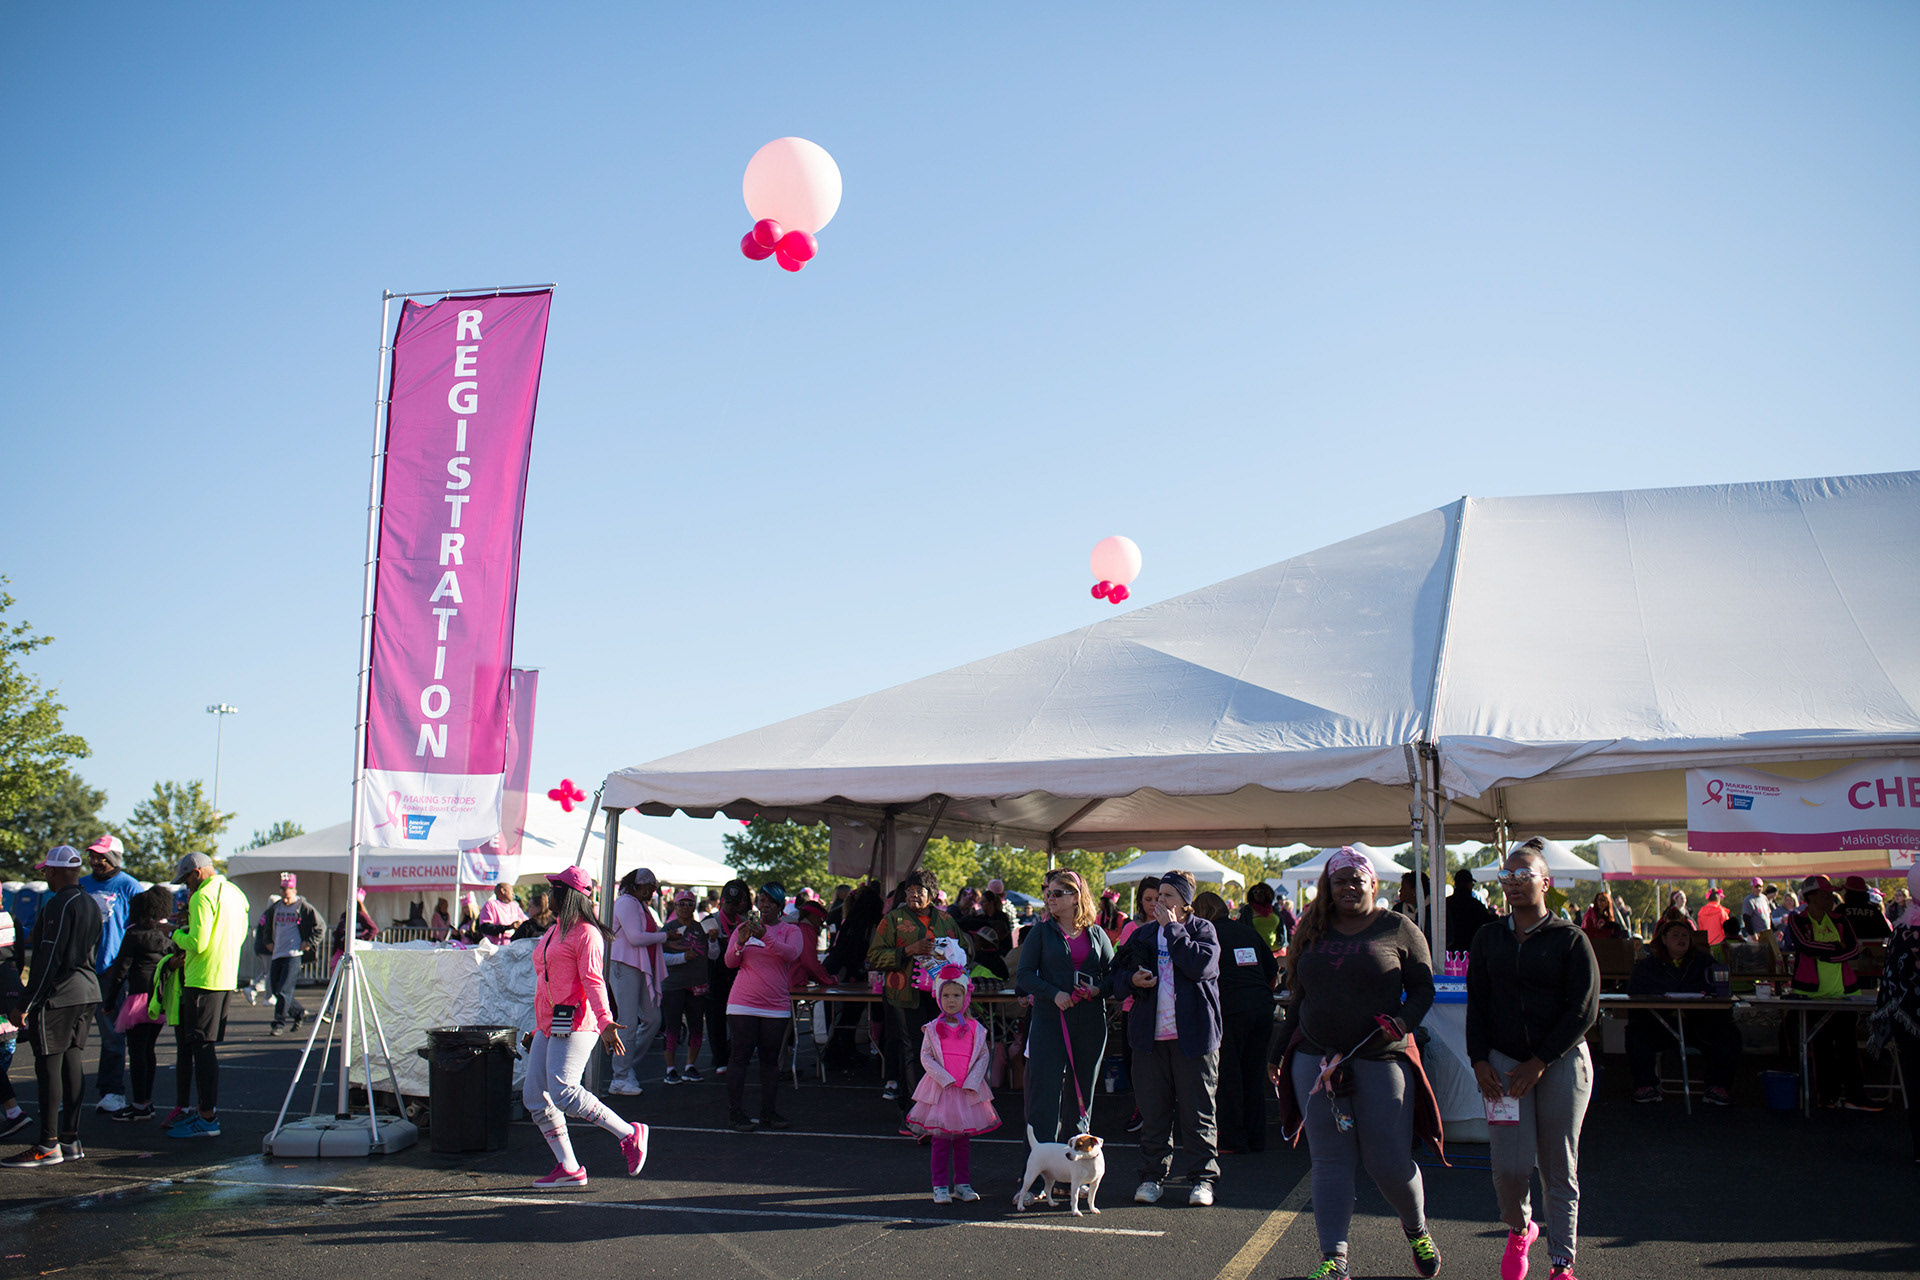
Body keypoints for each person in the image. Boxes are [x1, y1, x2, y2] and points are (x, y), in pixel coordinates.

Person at [1267, 850, 1442, 1280]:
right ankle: (1335, 1259)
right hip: (1315, 1060)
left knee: (1388, 1163)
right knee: (1329, 1162)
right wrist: (1277, 1051)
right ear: (1328, 886)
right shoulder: (1312, 928)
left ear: (1373, 884)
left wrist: (1403, 1021)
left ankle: (1416, 1229)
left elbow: (1423, 989)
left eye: (1356, 880)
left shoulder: (1398, 928)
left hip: (1380, 1058)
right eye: (1339, 880)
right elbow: (1299, 997)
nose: (1348, 887)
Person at [1466, 838, 1599, 1280]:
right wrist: (1479, 1060)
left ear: (1546, 882)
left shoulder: (1570, 939)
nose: (1514, 883)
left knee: (1559, 1165)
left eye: (1524, 875)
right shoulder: (1487, 937)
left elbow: (1584, 1010)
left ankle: (1562, 1262)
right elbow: (1478, 1004)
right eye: (1507, 876)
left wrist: (1540, 1060)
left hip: (1561, 1062)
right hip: (1502, 1063)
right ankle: (1520, 1228)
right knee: (1510, 1168)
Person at [522, 866, 648, 1188]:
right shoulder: (555, 930)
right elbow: (547, 982)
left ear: (566, 895)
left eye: (553, 889)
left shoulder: (586, 934)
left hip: (577, 1023)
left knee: (564, 1092)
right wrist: (538, 1027)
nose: (548, 894)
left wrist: (605, 1022)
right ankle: (569, 1167)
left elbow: (593, 981)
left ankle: (629, 1133)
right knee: (535, 1097)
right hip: (551, 1025)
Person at [1110, 868, 1221, 1207]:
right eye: (1158, 896)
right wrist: (1132, 980)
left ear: (1185, 902)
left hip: (1194, 1038)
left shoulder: (1203, 930)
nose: (1159, 901)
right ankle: (1151, 1177)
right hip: (1149, 1038)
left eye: (1168, 896)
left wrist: (1173, 929)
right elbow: (1116, 977)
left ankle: (1202, 1179)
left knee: (1198, 1112)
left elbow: (1200, 967)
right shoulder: (1142, 935)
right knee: (1154, 1113)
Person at [1, 846, 103, 1168]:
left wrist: (25, 1003)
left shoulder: (59, 903)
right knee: (72, 1061)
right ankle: (70, 1139)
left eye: (46, 870)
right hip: (87, 989)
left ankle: (48, 1144)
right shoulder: (90, 901)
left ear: (55, 871)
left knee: (48, 1067)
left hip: (61, 994)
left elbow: (49, 957)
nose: (45, 875)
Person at [1016, 869, 1113, 1145]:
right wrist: (1053, 993)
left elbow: (1113, 976)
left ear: (1076, 897)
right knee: (1044, 1097)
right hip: (1050, 1021)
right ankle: (1039, 1168)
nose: (1050, 898)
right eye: (1048, 893)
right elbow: (1024, 975)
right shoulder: (1040, 932)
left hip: (1090, 1022)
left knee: (1081, 1096)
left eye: (1058, 893)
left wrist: (1097, 989)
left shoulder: (1097, 933)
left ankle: (1076, 1165)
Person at [868, 868, 971, 1126]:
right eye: (910, 891)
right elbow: (874, 957)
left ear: (932, 894)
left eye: (919, 891)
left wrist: (949, 952)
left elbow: (966, 951)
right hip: (904, 995)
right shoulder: (893, 919)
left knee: (938, 1050)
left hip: (941, 997)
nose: (913, 895)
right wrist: (908, 950)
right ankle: (915, 1111)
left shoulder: (946, 920)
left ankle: (937, 1106)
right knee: (914, 1049)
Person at [164, 852, 248, 1139]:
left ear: (197, 873)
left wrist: (174, 933)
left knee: (201, 1049)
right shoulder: (235, 892)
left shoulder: (202, 896)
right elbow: (240, 935)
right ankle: (205, 1112)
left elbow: (197, 943)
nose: (187, 886)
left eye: (187, 879)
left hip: (202, 979)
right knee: (205, 1047)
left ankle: (207, 1117)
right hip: (225, 976)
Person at [1193, 891, 1279, 1156]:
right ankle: (1256, 1137)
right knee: (1253, 1075)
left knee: (1229, 1076)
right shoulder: (1247, 931)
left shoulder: (1206, 934)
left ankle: (1232, 1139)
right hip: (1261, 1006)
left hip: (1230, 1008)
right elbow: (1272, 968)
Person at [1626, 916, 1742, 1107]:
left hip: (1700, 1024)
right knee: (1635, 1032)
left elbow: (1722, 993)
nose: (1681, 939)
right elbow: (1634, 994)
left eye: (1685, 935)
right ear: (1664, 940)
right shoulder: (1647, 966)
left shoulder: (1705, 962)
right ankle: (1646, 1086)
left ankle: (1717, 1087)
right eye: (1675, 935)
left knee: (1730, 1034)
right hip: (1662, 1024)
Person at [907, 971, 998, 1203]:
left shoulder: (975, 1028)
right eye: (946, 995)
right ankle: (939, 1185)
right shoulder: (931, 1028)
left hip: (965, 1092)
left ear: (966, 998)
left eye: (956, 995)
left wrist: (973, 1081)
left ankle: (962, 1184)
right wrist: (944, 1078)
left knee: (962, 1141)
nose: (951, 1000)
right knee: (940, 1141)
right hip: (941, 1092)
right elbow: (926, 1056)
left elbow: (983, 1056)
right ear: (939, 998)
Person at [1787, 875, 1877, 1111]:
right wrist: (1837, 948)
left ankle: (1855, 1095)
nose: (1832, 898)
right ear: (1812, 897)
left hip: (1844, 990)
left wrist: (1825, 953)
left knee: (1848, 1044)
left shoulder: (1840, 918)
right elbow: (1804, 946)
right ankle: (1827, 1096)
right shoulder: (1797, 919)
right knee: (1821, 1046)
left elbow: (1854, 949)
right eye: (1826, 894)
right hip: (1811, 993)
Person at [723, 883, 804, 1132]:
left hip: (775, 1005)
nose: (765, 905)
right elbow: (729, 962)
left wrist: (764, 936)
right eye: (761, 900)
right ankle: (735, 1113)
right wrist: (740, 943)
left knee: (770, 1060)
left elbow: (791, 954)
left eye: (770, 901)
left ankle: (768, 1112)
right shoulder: (744, 928)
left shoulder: (790, 930)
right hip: (742, 1003)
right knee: (739, 1057)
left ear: (780, 905)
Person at [79, 835, 140, 1119]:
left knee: (113, 1037)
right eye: (92, 855)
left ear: (115, 857)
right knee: (70, 1037)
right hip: (79, 971)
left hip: (111, 973)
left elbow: (140, 928)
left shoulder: (129, 886)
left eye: (101, 856)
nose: (95, 860)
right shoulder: (82, 885)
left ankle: (112, 1092)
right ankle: (68, 1093)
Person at [106, 887, 174, 1123]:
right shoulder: (165, 937)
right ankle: (146, 1101)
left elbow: (120, 971)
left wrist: (109, 1001)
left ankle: (139, 1104)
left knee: (136, 1053)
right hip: (158, 999)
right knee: (148, 1050)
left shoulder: (133, 935)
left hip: (136, 998)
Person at [1867, 864, 1920, 1162]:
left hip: (1907, 1019)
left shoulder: (1901, 932)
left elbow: (1890, 980)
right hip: (1908, 1019)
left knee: (1915, 1082)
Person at [607, 868, 666, 1097]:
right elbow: (635, 937)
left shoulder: (639, 905)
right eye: (650, 887)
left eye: (654, 888)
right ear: (638, 885)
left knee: (653, 1019)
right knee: (628, 1022)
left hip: (638, 965)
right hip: (624, 965)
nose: (653, 891)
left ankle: (626, 1064)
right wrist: (665, 937)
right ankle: (620, 1076)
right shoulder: (627, 903)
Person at [256, 874, 322, 1036]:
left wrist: (308, 942)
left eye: (288, 890)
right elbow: (265, 927)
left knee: (284, 990)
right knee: (276, 989)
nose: (285, 893)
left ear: (294, 891)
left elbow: (320, 927)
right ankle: (299, 1012)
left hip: (293, 954)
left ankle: (278, 1023)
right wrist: (267, 942)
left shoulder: (303, 907)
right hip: (277, 953)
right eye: (283, 889)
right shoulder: (275, 908)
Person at [702, 881, 752, 1075]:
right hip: (716, 978)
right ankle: (720, 1058)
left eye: (735, 903)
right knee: (716, 1021)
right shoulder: (710, 920)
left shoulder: (746, 922)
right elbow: (708, 955)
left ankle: (735, 1053)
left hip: (740, 978)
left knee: (740, 1020)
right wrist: (713, 940)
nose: (731, 907)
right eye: (728, 902)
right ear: (721, 902)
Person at [660, 890, 709, 1084]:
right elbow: (659, 958)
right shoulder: (667, 929)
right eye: (682, 904)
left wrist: (714, 940)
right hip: (673, 985)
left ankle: (690, 1066)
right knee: (672, 1027)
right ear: (675, 906)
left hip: (697, 984)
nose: (686, 908)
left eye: (690, 904)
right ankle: (670, 1069)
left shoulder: (702, 928)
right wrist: (682, 957)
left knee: (697, 1026)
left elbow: (712, 954)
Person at [0, 899, 27, 1140]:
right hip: (10, 1002)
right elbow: (20, 960)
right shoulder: (12, 920)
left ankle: (13, 1112)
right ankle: (11, 1112)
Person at [789, 899, 835, 989]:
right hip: (793, 981)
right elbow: (809, 961)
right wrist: (828, 979)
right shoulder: (805, 929)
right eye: (821, 921)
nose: (819, 926)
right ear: (814, 917)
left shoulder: (786, 922)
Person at [1450, 868, 1498, 952]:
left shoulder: (1446, 904)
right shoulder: (1476, 905)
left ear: (1455, 883)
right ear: (1469, 884)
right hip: (1472, 950)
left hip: (1449, 952)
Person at [1841, 876, 1892, 942]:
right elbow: (1886, 933)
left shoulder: (1841, 910)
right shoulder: (1874, 910)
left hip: (1847, 947)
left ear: (1848, 893)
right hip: (1873, 947)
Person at [1237, 881, 1282, 952]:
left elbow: (1282, 929)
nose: (1258, 894)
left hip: (1275, 950)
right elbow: (1239, 928)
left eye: (1262, 891)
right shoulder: (1246, 911)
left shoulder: (1274, 910)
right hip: (1254, 949)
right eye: (1255, 892)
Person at [1696, 888, 1731, 955]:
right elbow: (1727, 929)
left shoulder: (1701, 912)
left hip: (1707, 944)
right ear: (1719, 900)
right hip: (1720, 944)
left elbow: (1701, 929)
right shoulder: (1721, 911)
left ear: (1709, 900)